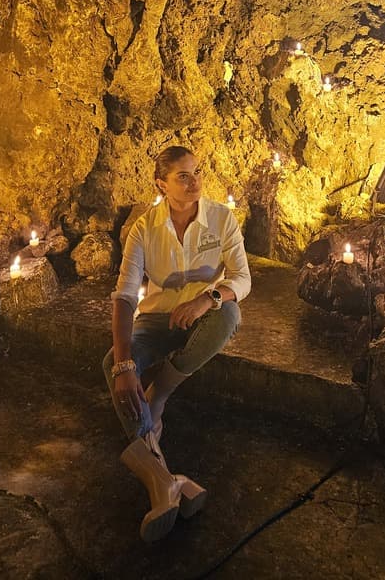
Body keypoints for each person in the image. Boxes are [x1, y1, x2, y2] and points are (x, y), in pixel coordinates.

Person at [103, 145, 251, 542]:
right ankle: (164, 481)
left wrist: (209, 298)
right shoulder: (145, 228)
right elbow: (125, 296)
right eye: (183, 176)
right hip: (155, 320)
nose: (194, 182)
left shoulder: (221, 219)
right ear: (161, 184)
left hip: (203, 317)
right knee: (114, 362)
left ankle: (159, 397)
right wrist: (123, 366)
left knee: (230, 315)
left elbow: (242, 278)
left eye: (197, 172)